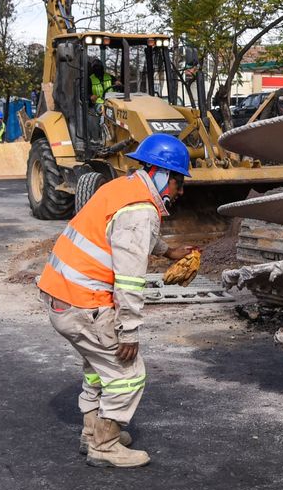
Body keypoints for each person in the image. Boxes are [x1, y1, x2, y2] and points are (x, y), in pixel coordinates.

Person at [37, 134, 197, 469]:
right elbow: (128, 281)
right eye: (179, 181)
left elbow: (124, 234)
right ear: (162, 175)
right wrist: (129, 332)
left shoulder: (121, 188)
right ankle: (105, 445)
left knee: (99, 368)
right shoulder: (140, 212)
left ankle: (92, 432)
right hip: (84, 303)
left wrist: (168, 252)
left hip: (61, 295)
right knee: (127, 372)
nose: (180, 191)